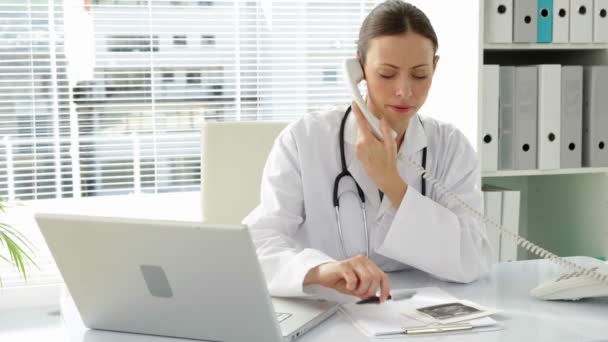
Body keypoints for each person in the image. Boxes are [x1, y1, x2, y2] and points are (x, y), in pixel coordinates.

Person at [243, 0, 492, 303]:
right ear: (359, 69)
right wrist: (319, 270)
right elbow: (258, 243)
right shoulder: (304, 139)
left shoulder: (450, 147)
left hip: (420, 312)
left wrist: (393, 184)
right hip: (329, 308)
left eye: (420, 74)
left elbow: (474, 258)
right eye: (387, 74)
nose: (404, 90)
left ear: (435, 67)